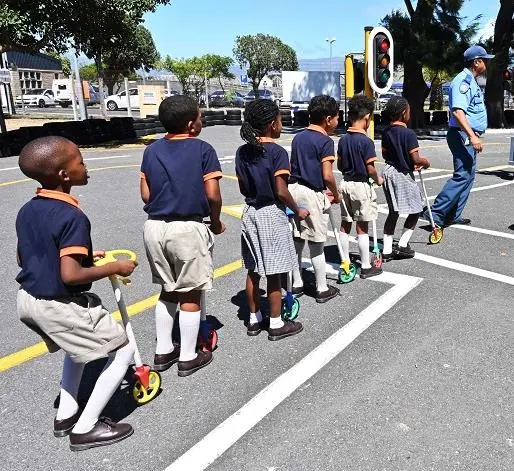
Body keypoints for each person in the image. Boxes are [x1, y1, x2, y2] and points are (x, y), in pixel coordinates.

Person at [16, 136, 138, 451]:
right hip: (59, 304)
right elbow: (70, 275)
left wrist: (84, 255)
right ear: (65, 176)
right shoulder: (72, 217)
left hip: (29, 300)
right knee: (122, 351)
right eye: (80, 161)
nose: (86, 167)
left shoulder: (29, 209)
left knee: (77, 350)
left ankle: (67, 413)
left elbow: (25, 257)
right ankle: (86, 428)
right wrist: (115, 268)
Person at [140, 95, 225, 377]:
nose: (201, 122)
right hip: (186, 228)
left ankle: (163, 350)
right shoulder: (203, 149)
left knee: (168, 288)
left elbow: (146, 193)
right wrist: (215, 221)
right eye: (200, 117)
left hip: (155, 226)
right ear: (191, 124)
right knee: (191, 292)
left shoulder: (151, 150)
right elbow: (212, 193)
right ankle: (189, 355)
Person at [236, 98, 307, 339]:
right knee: (275, 271)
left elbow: (244, 187)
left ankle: (254, 319)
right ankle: (276, 323)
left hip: (251, 212)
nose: (281, 124)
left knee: (254, 270)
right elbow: (280, 189)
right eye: (279, 120)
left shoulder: (243, 151)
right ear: (270, 125)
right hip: (270, 212)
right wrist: (298, 210)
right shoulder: (276, 152)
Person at [422, 45, 492, 227]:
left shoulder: (471, 81)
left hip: (466, 135)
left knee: (468, 175)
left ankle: (452, 214)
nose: (487, 63)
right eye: (484, 60)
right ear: (476, 62)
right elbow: (458, 112)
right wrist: (473, 136)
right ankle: (436, 212)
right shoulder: (463, 81)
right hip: (462, 135)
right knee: (462, 175)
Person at [288, 95, 341, 303]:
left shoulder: (298, 137)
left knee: (297, 239)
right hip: (312, 193)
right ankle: (321, 287)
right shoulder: (326, 142)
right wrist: (335, 193)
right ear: (328, 119)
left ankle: (297, 282)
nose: (338, 122)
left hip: (294, 191)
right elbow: (327, 175)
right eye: (337, 118)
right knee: (317, 243)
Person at [337, 95, 384, 279]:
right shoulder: (366, 142)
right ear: (367, 118)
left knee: (345, 224)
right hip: (360, 185)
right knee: (362, 225)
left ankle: (345, 261)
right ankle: (365, 265)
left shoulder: (343, 140)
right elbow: (370, 168)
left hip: (345, 183)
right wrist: (378, 179)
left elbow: (340, 165)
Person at [381, 96, 431, 260]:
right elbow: (416, 159)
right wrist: (425, 162)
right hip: (402, 175)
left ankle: (387, 250)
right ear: (404, 113)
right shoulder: (409, 134)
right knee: (416, 210)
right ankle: (402, 245)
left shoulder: (387, 131)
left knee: (393, 212)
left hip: (389, 171)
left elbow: (385, 154)